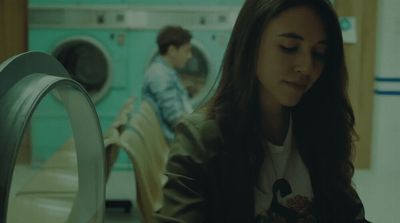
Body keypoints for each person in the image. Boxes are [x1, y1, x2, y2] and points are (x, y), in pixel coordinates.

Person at [155, 0, 370, 222]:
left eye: (319, 53)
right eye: (289, 47)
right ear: (250, 43)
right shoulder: (199, 141)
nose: (306, 66)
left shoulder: (319, 127)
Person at [141, 25, 193, 142]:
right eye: (187, 51)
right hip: (174, 142)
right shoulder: (159, 75)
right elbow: (176, 118)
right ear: (172, 51)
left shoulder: (165, 71)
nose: (190, 56)